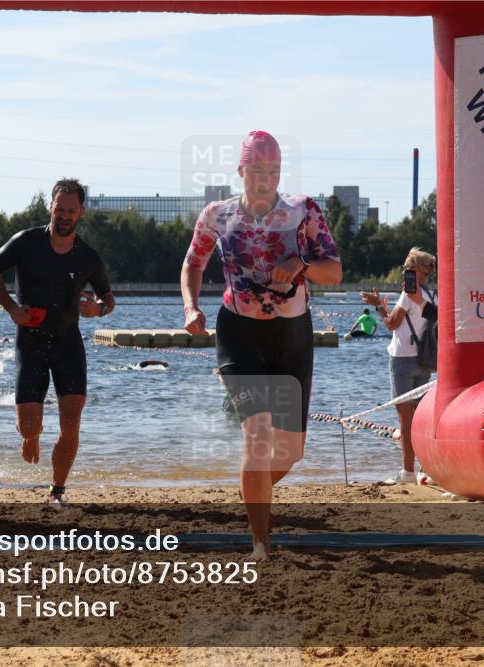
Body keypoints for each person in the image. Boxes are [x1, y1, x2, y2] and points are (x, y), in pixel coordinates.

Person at [181, 130, 342, 560]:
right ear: (240, 170)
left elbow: (335, 272)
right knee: (258, 434)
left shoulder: (303, 210)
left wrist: (302, 265)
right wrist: (190, 307)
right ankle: (261, 545)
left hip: (291, 336)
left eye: (272, 171)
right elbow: (193, 263)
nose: (264, 179)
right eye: (256, 171)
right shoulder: (218, 215)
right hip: (238, 334)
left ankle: (253, 491)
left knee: (291, 452)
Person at [0, 178, 114, 506]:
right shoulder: (27, 243)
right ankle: (32, 436)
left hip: (69, 345)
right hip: (31, 344)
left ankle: (57, 491)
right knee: (28, 427)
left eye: (71, 210)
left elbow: (107, 299)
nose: (64, 215)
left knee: (71, 423)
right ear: (50, 207)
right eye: (59, 208)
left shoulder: (88, 257)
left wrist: (96, 310)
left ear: (81, 212)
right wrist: (12, 309)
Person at [360, 248, 436, 485]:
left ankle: (408, 472)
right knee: (420, 416)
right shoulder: (432, 296)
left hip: (402, 359)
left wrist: (378, 306)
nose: (405, 273)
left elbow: (392, 324)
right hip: (423, 361)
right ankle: (426, 467)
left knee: (405, 418)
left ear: (417, 272)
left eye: (407, 269)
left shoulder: (408, 294)